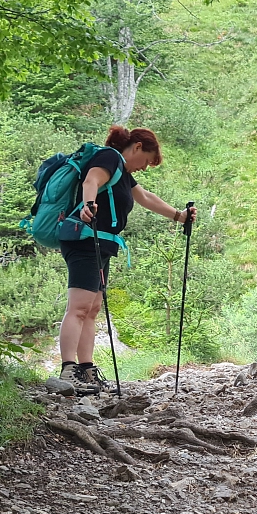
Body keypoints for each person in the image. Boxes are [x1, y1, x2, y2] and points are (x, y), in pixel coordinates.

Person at [58, 125, 196, 393]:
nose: (144, 168)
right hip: (85, 239)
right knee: (79, 307)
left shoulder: (122, 172)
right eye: (146, 161)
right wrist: (88, 206)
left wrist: (179, 216)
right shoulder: (110, 157)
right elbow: (91, 181)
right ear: (137, 148)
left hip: (101, 244)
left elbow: (145, 197)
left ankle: (86, 370)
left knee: (92, 307)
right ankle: (67, 370)